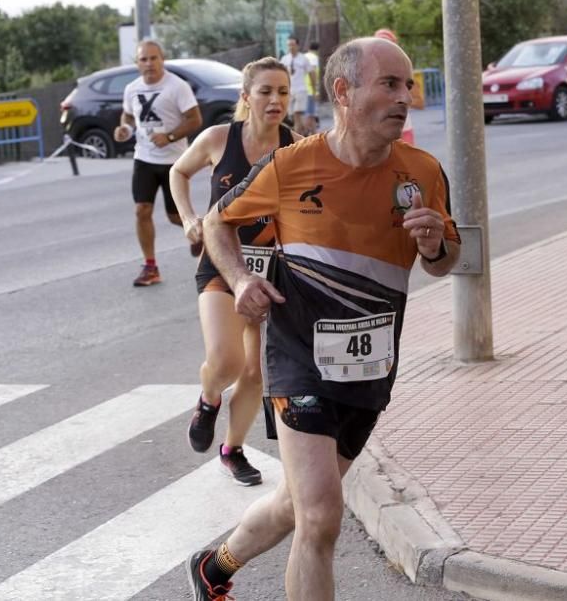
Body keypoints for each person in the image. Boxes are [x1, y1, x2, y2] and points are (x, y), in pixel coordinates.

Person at [186, 37, 461, 600]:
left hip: (368, 367)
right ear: (343, 91)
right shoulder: (291, 165)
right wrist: (240, 280)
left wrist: (435, 246)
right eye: (389, 84)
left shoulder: (422, 171)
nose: (404, 96)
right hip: (297, 358)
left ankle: (213, 567)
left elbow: (446, 262)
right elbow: (217, 222)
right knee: (321, 516)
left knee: (296, 503)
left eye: (407, 85)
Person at [169, 57, 300, 486]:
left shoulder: (297, 147)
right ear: (246, 97)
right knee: (227, 361)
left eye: (282, 91)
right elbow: (178, 172)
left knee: (253, 371)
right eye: (265, 91)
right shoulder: (217, 138)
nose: (275, 100)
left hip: (268, 268)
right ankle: (208, 400)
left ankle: (232, 449)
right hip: (220, 263)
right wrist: (189, 217)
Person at [116, 39, 203, 286]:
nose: (149, 63)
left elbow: (195, 119)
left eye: (154, 58)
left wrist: (170, 136)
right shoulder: (132, 89)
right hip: (143, 158)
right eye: (144, 59)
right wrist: (123, 128)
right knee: (141, 210)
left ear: (162, 60)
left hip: (174, 162)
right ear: (137, 63)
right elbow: (128, 116)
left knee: (176, 217)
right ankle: (150, 267)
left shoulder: (177, 86)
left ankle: (205, 237)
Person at [373, 28, 425, 143]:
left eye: (388, 45)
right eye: (379, 45)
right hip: (376, 134)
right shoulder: (368, 73)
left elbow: (419, 103)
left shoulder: (406, 72)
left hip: (402, 132)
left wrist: (400, 101)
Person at [280, 36, 317, 133]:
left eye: (293, 45)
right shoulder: (284, 59)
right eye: (289, 45)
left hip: (301, 90)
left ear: (297, 46)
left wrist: (313, 89)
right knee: (292, 116)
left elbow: (311, 73)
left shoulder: (303, 59)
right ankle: (305, 131)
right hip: (289, 91)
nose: (290, 47)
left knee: (297, 114)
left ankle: (297, 140)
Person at [303, 42, 321, 135]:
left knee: (310, 113)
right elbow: (313, 72)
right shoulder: (314, 58)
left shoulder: (303, 56)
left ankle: (313, 134)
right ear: (317, 50)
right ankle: (305, 133)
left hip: (302, 88)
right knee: (310, 113)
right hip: (310, 89)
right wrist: (316, 90)